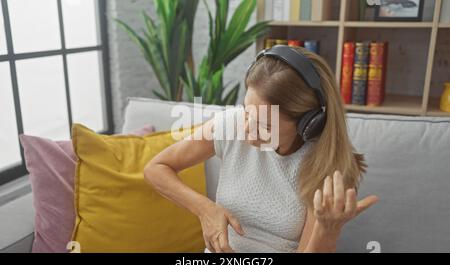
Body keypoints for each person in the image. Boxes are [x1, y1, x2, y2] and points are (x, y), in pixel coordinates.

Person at [143, 46, 378, 253]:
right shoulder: (230, 125)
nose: (247, 130)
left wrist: (327, 232)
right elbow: (156, 168)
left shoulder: (326, 167)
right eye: (246, 112)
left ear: (308, 124)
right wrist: (205, 209)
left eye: (264, 125)